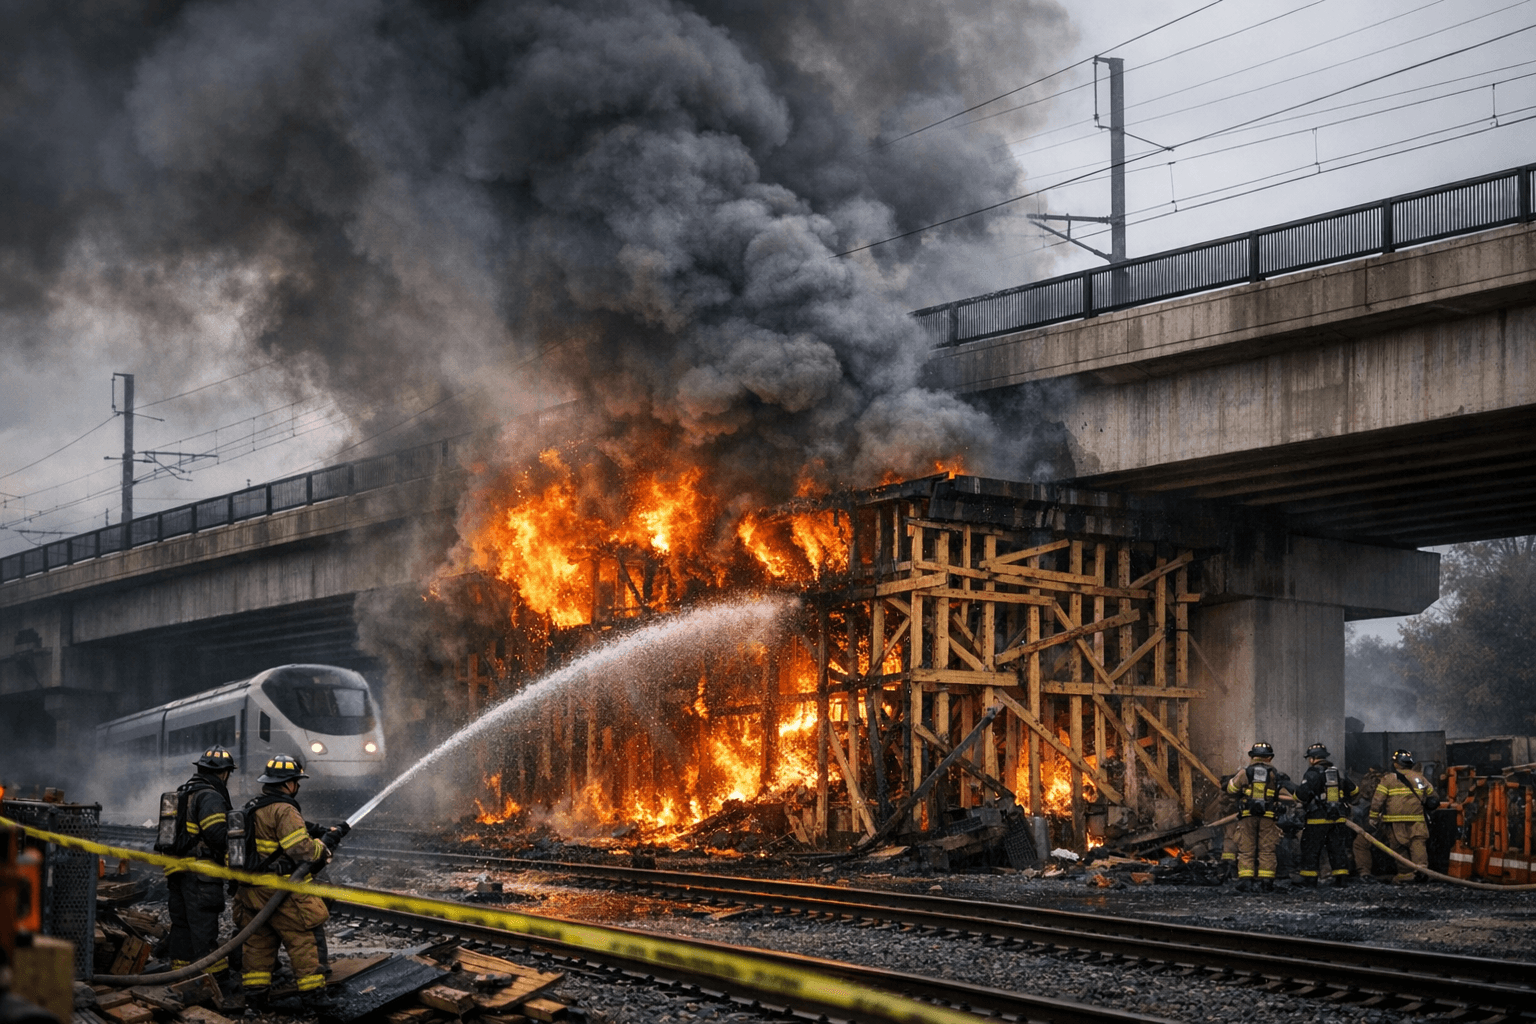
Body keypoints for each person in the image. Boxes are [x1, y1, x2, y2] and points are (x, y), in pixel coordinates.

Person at [234, 754, 344, 1013]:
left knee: (258, 944)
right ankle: (314, 998)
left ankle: (256, 999)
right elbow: (301, 849)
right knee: (302, 941)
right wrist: (324, 844)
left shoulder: (253, 806)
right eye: (296, 781)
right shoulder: (284, 809)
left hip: (251, 890)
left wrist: (317, 829)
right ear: (288, 783)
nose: (297, 786)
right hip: (280, 889)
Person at [166, 747, 237, 980]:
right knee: (203, 930)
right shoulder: (210, 796)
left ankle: (181, 976)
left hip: (177, 871)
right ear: (224, 773)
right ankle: (214, 982)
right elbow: (217, 835)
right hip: (201, 876)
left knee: (182, 927)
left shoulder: (183, 793)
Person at [1225, 742, 1291, 892]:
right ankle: (1266, 882)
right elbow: (1284, 792)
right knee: (1267, 849)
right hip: (1268, 816)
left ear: (1252, 756)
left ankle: (1246, 882)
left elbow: (1231, 789)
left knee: (1246, 849)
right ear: (1269, 758)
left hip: (1247, 816)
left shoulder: (1245, 772)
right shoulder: (1275, 774)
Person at [1294, 742, 1359, 888]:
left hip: (1317, 819)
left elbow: (1302, 795)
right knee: (1337, 849)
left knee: (1311, 849)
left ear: (1312, 758)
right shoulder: (1339, 773)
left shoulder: (1312, 772)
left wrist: (1296, 797)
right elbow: (1354, 792)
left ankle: (1309, 881)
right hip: (1338, 819)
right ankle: (1341, 881)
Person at [1368, 749, 1438, 883]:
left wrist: (1373, 816)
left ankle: (1405, 874)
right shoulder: (1419, 777)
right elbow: (1433, 795)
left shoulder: (1388, 778)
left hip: (1395, 821)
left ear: (1396, 763)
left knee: (1398, 847)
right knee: (1418, 843)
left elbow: (1378, 799)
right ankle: (1421, 871)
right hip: (1416, 819)